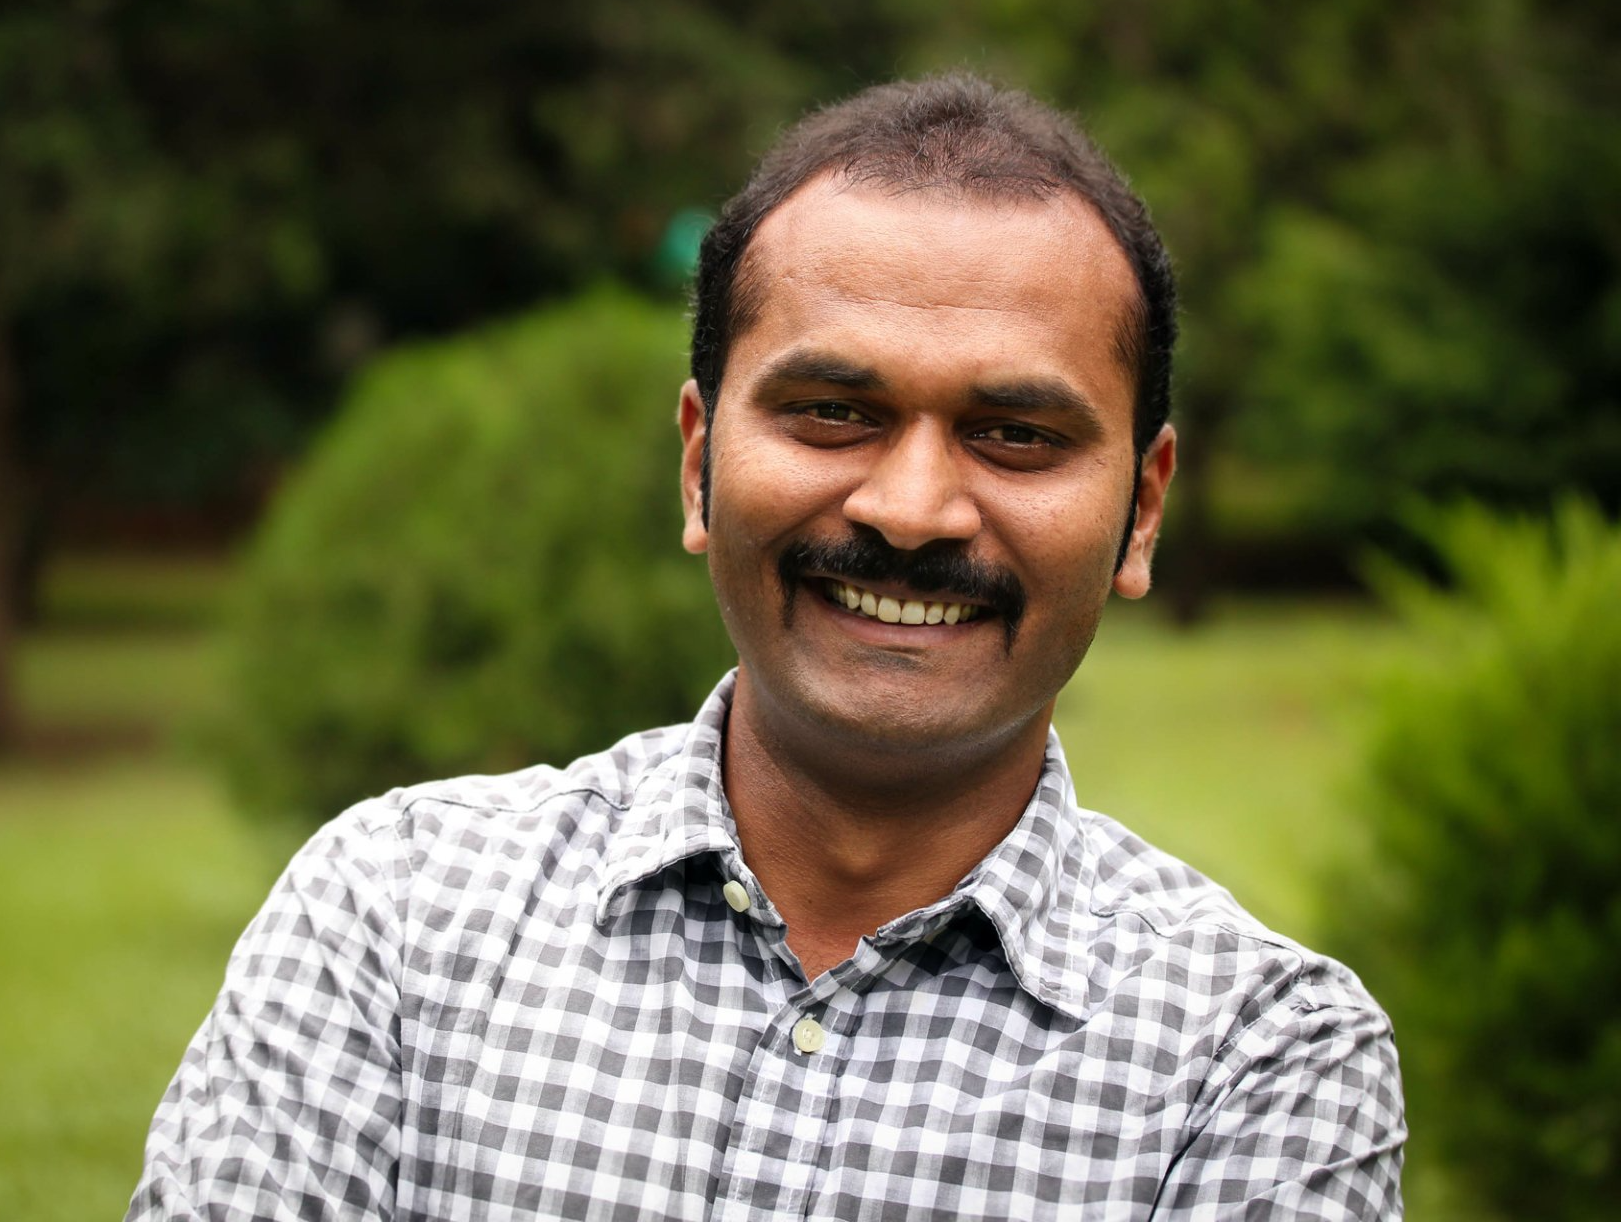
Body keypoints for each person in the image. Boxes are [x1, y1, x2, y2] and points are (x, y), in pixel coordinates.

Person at [129, 75, 1404, 1220]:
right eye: (831, 413)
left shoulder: (1255, 1065)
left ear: (1141, 509)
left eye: (1014, 433)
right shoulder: (394, 919)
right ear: (698, 463)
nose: (909, 508)